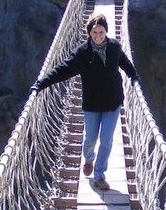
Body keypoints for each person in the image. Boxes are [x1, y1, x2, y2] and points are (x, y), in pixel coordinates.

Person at [31, 12, 139, 190]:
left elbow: (125, 62)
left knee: (106, 140)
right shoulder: (82, 53)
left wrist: (134, 76)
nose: (98, 36)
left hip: (113, 102)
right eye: (94, 33)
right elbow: (62, 69)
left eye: (101, 32)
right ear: (89, 33)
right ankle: (89, 159)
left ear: (106, 32)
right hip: (92, 104)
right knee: (90, 139)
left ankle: (99, 175)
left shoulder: (114, 47)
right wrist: (40, 84)